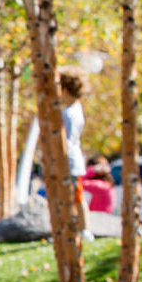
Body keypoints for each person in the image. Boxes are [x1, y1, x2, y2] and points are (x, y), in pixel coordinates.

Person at [59, 69, 93, 241]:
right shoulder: (75, 109)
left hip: (69, 161)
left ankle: (82, 229)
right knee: (74, 196)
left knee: (74, 197)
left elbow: (64, 139)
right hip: (73, 160)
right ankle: (79, 229)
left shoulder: (68, 113)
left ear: (65, 90)